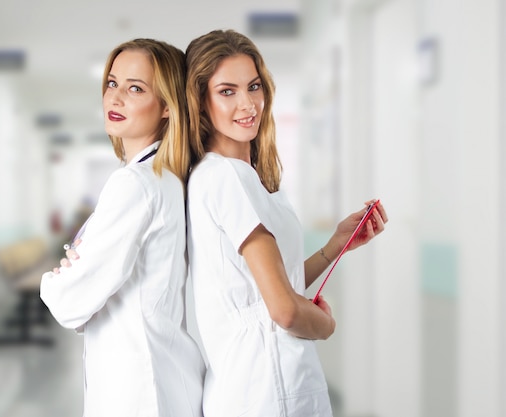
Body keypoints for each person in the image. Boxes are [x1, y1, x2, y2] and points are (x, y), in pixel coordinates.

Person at [184, 29, 388, 417]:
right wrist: (326, 326)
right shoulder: (224, 178)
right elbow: (285, 310)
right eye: (227, 91)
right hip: (265, 387)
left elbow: (272, 285)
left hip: (264, 384)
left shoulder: (248, 178)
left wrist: (334, 246)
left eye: (254, 86)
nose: (248, 104)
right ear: (200, 102)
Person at [40, 38, 204, 417]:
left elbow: (70, 303)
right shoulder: (166, 179)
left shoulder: (135, 185)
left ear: (167, 107)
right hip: (164, 376)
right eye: (112, 83)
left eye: (136, 88)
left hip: (137, 390)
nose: (115, 98)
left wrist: (55, 281)